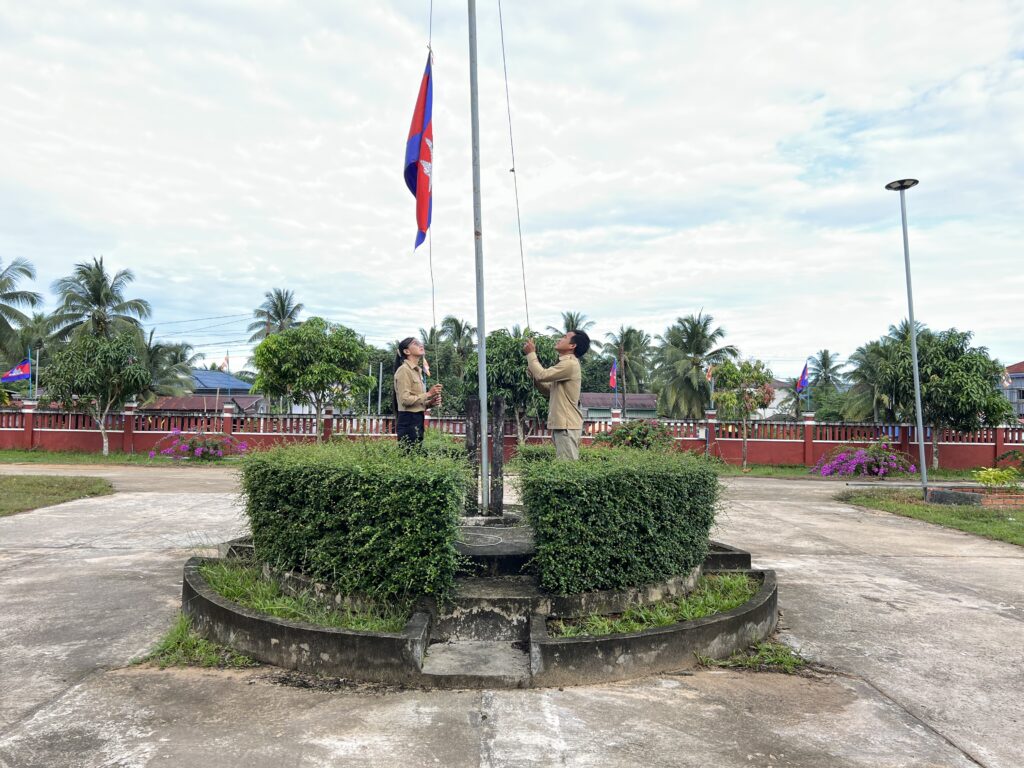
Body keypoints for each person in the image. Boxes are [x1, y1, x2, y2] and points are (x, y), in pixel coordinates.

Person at [523, 329, 590, 460]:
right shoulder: (566, 363)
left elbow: (542, 375)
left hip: (566, 425)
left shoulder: (570, 363)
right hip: (563, 425)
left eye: (565, 337)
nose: (560, 339)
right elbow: (549, 390)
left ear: (572, 345)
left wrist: (531, 354)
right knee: (564, 464)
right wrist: (535, 378)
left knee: (567, 467)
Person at [393, 337, 442, 448]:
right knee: (409, 454)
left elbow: (416, 403)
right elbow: (405, 400)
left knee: (416, 453)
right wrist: (429, 394)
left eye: (420, 343)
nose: (421, 345)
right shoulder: (404, 370)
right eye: (415, 343)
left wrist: (430, 403)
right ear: (407, 351)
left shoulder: (416, 371)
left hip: (417, 418)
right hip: (408, 420)